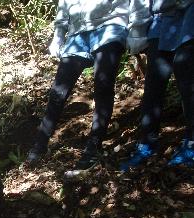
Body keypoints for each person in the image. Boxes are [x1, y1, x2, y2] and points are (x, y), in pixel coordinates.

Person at [26, 0, 150, 170]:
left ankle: (93, 147)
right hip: (77, 32)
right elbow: (64, 5)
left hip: (111, 24)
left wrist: (137, 31)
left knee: (103, 85)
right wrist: (59, 34)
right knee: (58, 91)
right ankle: (39, 145)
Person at [121, 0, 194, 170]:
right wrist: (137, 31)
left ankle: (191, 143)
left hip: (190, 12)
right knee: (154, 82)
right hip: (161, 19)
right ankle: (146, 143)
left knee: (186, 72)